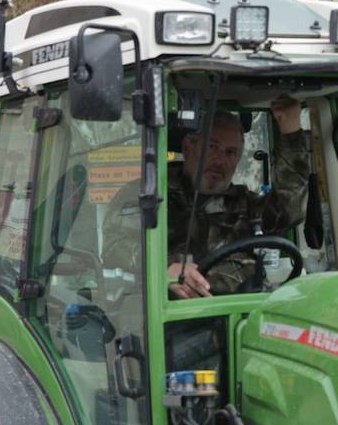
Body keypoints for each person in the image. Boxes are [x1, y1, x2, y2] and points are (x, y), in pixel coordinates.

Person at [107, 98, 311, 299]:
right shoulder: (147, 194)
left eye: (230, 153)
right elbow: (114, 246)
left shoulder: (245, 206)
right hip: (163, 317)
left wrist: (291, 133)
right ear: (188, 148)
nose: (220, 160)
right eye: (211, 147)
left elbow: (289, 209)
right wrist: (163, 267)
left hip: (235, 316)